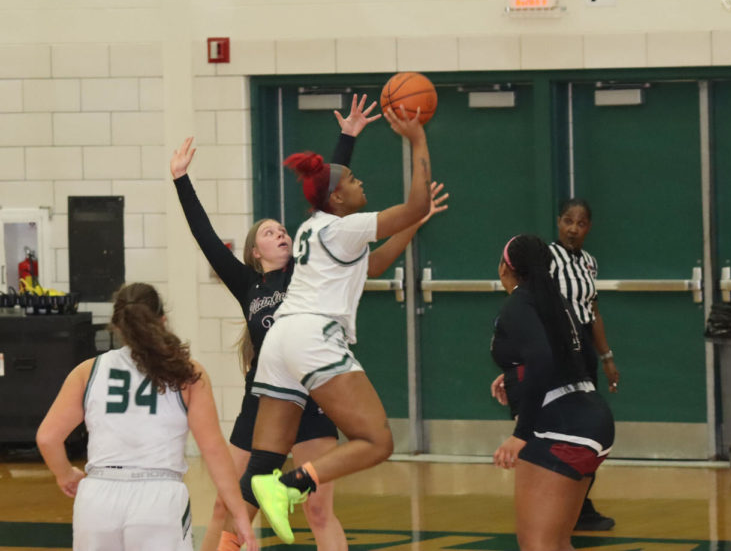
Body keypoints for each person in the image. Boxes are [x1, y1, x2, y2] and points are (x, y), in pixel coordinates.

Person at [220, 106, 443, 546]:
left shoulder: (315, 228)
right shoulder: (344, 228)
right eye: (354, 182)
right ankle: (295, 484)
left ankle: (258, 506)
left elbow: (375, 264)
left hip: (280, 342)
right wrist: (417, 139)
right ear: (337, 198)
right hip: (312, 338)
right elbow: (414, 202)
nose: (362, 184)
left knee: (261, 464)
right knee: (377, 441)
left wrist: (414, 223)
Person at [170, 94, 381, 551]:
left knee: (319, 508)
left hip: (313, 397)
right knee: (229, 506)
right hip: (262, 400)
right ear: (254, 252)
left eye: (282, 229)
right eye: (269, 232)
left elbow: (329, 196)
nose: (281, 233)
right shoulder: (247, 284)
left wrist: (346, 139)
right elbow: (205, 238)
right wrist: (181, 181)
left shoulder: (309, 263)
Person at [35, 283, 258, 551]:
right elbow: (214, 451)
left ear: (117, 326)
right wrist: (240, 514)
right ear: (162, 321)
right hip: (158, 498)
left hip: (98, 497)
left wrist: (65, 475)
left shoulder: (88, 371)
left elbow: (47, 437)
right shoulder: (187, 372)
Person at [489, 234, 615, 551]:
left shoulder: (518, 303)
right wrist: (516, 376)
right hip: (592, 420)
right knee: (557, 543)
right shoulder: (558, 303)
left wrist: (521, 433)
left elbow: (542, 359)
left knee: (537, 545)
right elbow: (582, 358)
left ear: (506, 267)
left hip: (560, 428)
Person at [548, 197, 619, 531]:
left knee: (588, 429)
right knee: (559, 428)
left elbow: (593, 313)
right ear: (558, 222)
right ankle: (559, 504)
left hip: (585, 356)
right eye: (567, 221)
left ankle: (577, 504)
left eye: (580, 223)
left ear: (588, 228)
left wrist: (606, 358)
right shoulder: (545, 258)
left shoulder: (589, 263)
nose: (573, 229)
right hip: (554, 355)